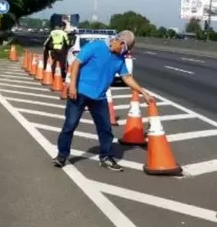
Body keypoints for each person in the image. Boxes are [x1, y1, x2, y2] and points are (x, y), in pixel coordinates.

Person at [52, 30, 153, 171]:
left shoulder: (120, 58)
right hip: (79, 93)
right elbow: (76, 64)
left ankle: (106, 157)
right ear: (120, 42)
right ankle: (62, 155)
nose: (123, 52)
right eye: (124, 49)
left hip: (99, 98)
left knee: (105, 129)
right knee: (70, 125)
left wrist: (143, 92)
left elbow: (126, 77)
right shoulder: (95, 47)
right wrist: (72, 87)